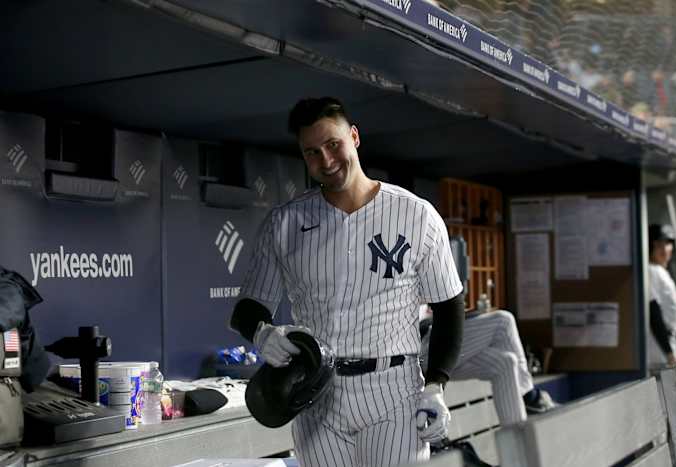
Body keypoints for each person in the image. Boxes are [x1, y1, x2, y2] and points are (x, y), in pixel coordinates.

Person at [230, 97, 465, 466]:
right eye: (312, 152)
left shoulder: (417, 215)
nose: (325, 161)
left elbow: (450, 308)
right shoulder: (285, 223)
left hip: (393, 391)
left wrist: (436, 384)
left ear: (354, 137)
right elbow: (247, 307)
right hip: (315, 391)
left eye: (333, 144)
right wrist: (262, 332)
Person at [419, 303, 557, 427]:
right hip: (421, 351)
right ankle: (529, 396)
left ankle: (516, 441)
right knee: (504, 321)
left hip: (437, 349)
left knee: (506, 362)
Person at [648, 224, 676, 369]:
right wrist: (668, 352)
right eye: (658, 245)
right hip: (659, 348)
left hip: (669, 343)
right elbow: (652, 311)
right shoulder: (650, 270)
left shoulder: (661, 271)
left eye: (667, 244)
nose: (664, 249)